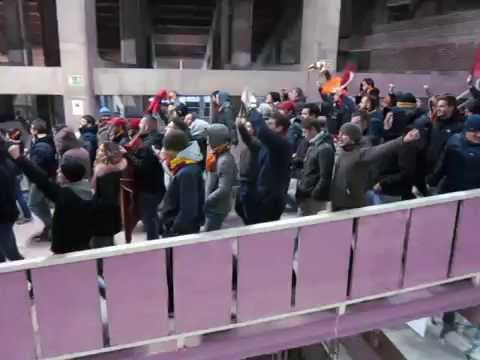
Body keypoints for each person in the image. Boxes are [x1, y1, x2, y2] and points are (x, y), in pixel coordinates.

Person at [10, 145, 95, 254]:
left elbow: (40, 178)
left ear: (67, 177)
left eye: (61, 172)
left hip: (66, 247)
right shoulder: (89, 190)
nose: (58, 171)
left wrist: (19, 158)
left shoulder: (65, 195)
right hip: (85, 242)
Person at [330, 123, 420, 211]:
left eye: (344, 134)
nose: (339, 136)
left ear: (352, 137)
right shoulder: (341, 152)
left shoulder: (360, 154)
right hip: (337, 203)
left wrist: (403, 140)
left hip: (351, 206)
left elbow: (382, 149)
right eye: (339, 133)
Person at [157, 129, 205, 236]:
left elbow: (188, 209)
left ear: (172, 150)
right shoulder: (185, 167)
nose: (163, 151)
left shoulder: (187, 173)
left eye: (165, 148)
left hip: (180, 233)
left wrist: (174, 229)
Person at [125, 115, 165, 240]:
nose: (139, 127)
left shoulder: (148, 144)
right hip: (155, 185)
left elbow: (142, 166)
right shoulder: (152, 139)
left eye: (141, 125)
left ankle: (153, 244)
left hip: (149, 187)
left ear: (147, 126)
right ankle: (162, 234)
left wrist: (127, 155)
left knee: (148, 217)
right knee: (152, 214)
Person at [249, 111, 292, 223]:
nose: (267, 127)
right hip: (262, 195)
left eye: (270, 124)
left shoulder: (281, 144)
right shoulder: (268, 145)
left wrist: (251, 109)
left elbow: (263, 132)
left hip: (272, 199)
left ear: (280, 128)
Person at [428, 115, 480, 194]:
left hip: (474, 194)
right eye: (474, 131)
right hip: (451, 191)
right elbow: (441, 165)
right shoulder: (453, 142)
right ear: (466, 130)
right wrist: (431, 182)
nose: (479, 135)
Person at [296, 117, 335, 215]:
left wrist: (315, 193)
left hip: (313, 198)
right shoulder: (314, 145)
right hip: (305, 194)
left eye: (305, 132)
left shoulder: (324, 148)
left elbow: (325, 176)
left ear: (313, 129)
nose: (303, 135)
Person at [91, 142, 127, 248]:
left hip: (104, 219)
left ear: (109, 154)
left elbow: (108, 199)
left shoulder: (107, 173)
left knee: (102, 248)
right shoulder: (110, 169)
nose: (98, 152)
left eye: (102, 150)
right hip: (110, 217)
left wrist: (91, 206)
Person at [205, 124, 238, 231]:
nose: (207, 141)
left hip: (217, 207)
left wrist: (207, 201)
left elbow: (223, 189)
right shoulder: (216, 155)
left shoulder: (224, 160)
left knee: (209, 238)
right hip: (213, 205)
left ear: (217, 138)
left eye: (210, 137)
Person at [28, 118, 57, 242]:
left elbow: (37, 165)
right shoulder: (45, 142)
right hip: (47, 177)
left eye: (31, 128)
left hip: (41, 179)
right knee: (42, 202)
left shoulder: (41, 146)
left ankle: (51, 225)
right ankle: (50, 226)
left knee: (33, 203)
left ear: (35, 130)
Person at [0, 138, 24, 262]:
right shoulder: (6, 160)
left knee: (9, 249)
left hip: (3, 213)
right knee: (8, 241)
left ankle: (24, 271)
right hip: (8, 211)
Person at [235, 116, 261, 225]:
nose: (247, 128)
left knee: (250, 214)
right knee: (239, 208)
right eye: (246, 126)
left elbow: (246, 137)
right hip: (243, 182)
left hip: (251, 183)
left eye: (249, 126)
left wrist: (240, 125)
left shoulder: (256, 143)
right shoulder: (247, 146)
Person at [6, 128, 32, 224]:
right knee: (17, 194)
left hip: (13, 173)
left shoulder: (9, 145)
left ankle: (27, 215)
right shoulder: (20, 143)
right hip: (19, 172)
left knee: (18, 195)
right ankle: (22, 214)